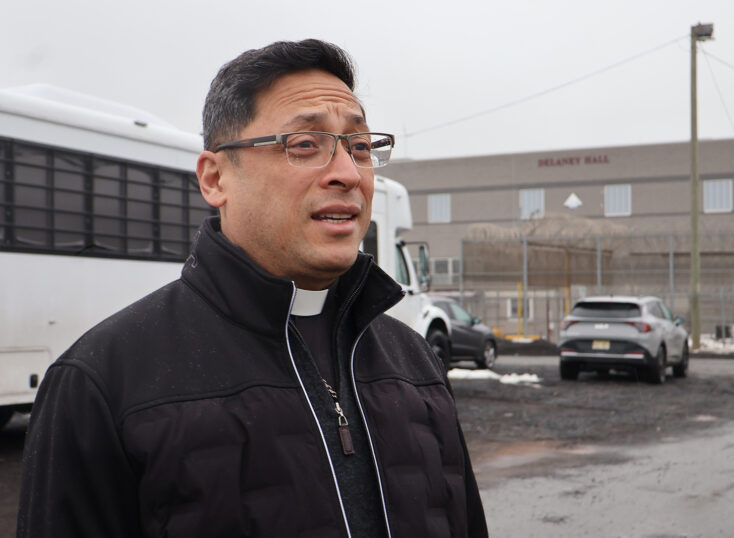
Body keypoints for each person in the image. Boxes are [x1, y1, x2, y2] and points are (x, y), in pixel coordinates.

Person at [17, 39, 487, 537]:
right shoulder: (101, 381)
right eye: (305, 144)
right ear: (215, 178)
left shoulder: (414, 363)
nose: (349, 174)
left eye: (362, 147)